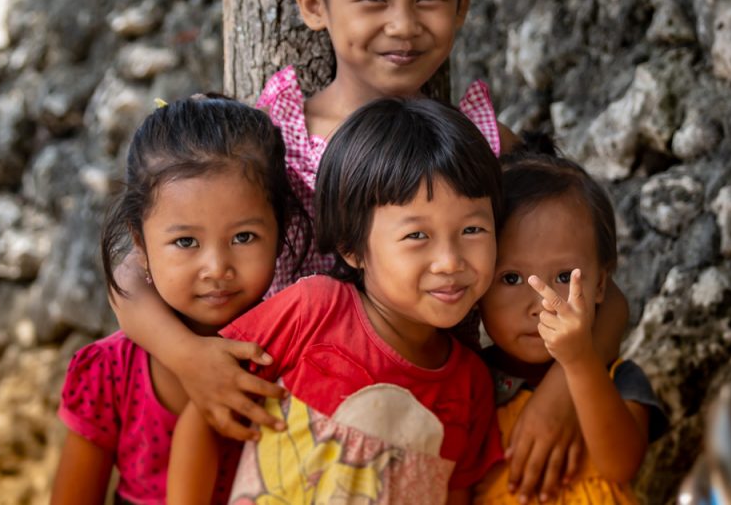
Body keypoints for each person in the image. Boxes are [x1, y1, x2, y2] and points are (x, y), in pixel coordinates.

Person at [114, 0, 630, 500]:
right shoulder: (271, 137)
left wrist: (558, 395)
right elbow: (135, 269)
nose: (403, 24)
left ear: (463, 1)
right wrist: (192, 360)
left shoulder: (483, 146)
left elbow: (604, 293)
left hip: (429, 418)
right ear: (313, 5)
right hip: (279, 411)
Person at [167, 98, 503, 504]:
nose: (450, 261)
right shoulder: (313, 312)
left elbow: (457, 494)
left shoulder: (469, 384)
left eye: (472, 229)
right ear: (351, 247)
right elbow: (205, 412)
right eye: (417, 235)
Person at [50, 96, 307, 505]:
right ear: (140, 241)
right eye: (185, 241)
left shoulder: (297, 357)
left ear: (280, 230)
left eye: (243, 237)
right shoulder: (111, 371)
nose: (216, 267)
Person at [473, 135, 667, 504]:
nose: (541, 304)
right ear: (478, 283)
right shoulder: (469, 383)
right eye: (512, 278)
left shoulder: (617, 378)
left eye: (564, 277)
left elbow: (621, 463)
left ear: (600, 285)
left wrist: (579, 363)